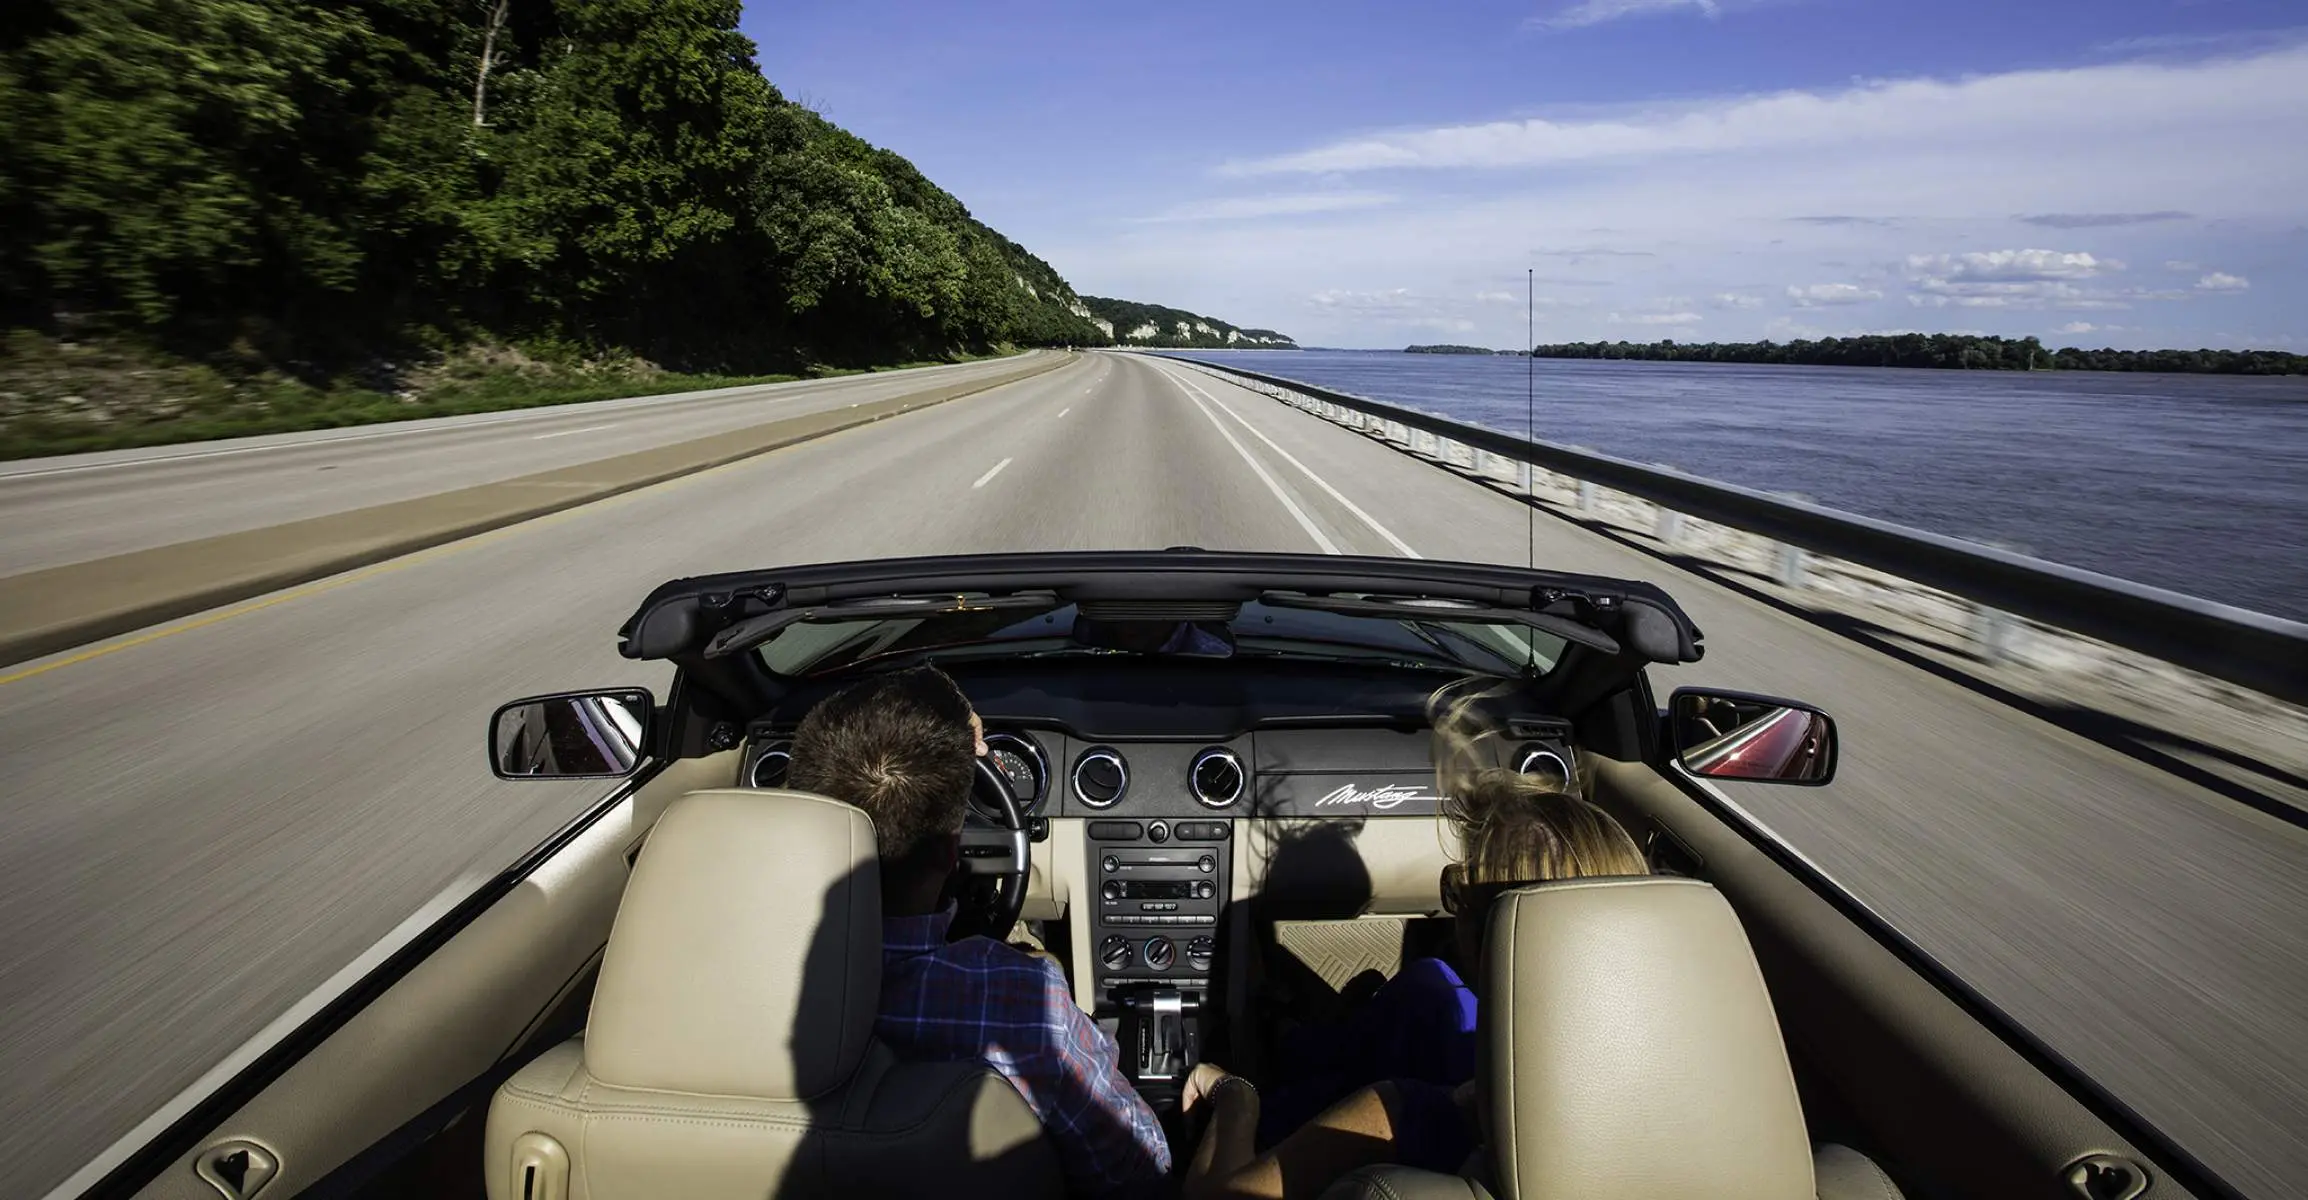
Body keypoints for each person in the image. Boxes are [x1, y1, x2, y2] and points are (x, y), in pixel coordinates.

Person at [1179, 696, 1649, 1200]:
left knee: (1405, 1000)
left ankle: (1281, 1040)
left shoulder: (1405, 1113)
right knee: (1428, 987)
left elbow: (1217, 1196)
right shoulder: (1679, 1092)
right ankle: (1312, 1021)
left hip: (1317, 1125)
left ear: (1485, 934)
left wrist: (1235, 1095)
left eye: (1460, 886)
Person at [786, 665, 1171, 1199]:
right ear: (951, 853)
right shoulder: (1023, 1002)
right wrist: (1229, 1092)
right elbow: (1139, 1173)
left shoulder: (697, 972)